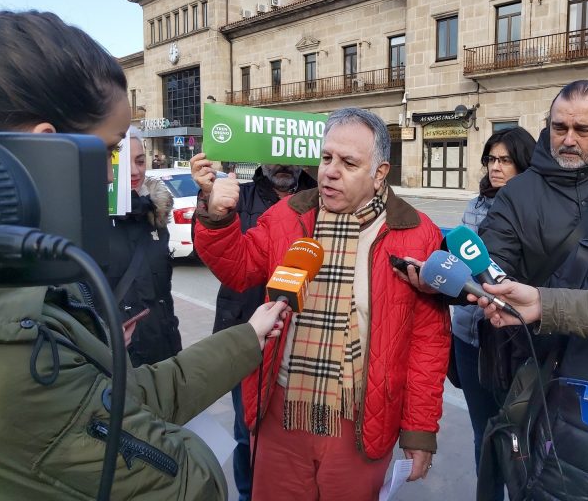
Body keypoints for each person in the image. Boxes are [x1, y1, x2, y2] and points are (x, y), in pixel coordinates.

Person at [0, 10, 287, 500]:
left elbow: (128, 397)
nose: (111, 174)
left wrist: (246, 338)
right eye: (107, 151)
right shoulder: (14, 341)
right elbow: (189, 481)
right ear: (45, 147)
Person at [193, 107, 450, 501]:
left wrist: (419, 430)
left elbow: (427, 345)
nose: (330, 171)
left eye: (348, 163)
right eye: (326, 157)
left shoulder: (417, 234)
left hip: (361, 420)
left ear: (380, 173)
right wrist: (217, 218)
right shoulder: (288, 215)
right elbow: (239, 269)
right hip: (280, 412)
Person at [476, 80, 588, 499]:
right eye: (559, 127)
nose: (568, 139)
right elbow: (492, 263)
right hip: (542, 368)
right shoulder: (518, 191)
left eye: (582, 130)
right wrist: (487, 286)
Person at [188, 157, 317, 501]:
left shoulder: (320, 197)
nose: (285, 166)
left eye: (292, 160)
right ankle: (248, 494)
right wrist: (210, 205)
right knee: (248, 429)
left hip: (299, 338)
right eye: (277, 160)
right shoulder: (239, 194)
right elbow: (212, 247)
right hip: (244, 329)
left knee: (297, 430)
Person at [449, 127, 535, 494]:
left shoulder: (533, 209)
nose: (495, 168)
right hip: (469, 336)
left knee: (517, 437)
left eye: (505, 160)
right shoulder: (477, 205)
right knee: (482, 432)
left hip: (514, 340)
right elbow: (461, 264)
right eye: (491, 160)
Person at [106, 126, 182, 366]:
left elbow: (162, 292)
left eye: (140, 161)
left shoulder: (155, 215)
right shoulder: (89, 218)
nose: (134, 170)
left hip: (163, 349)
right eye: (123, 161)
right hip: (120, 357)